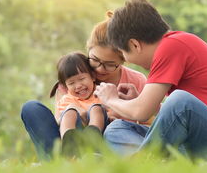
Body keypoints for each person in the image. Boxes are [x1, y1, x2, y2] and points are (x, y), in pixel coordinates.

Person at [95, 0, 207, 160]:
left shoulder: (172, 46)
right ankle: (159, 166)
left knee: (179, 100)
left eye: (124, 53)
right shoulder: (176, 43)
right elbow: (178, 118)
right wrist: (137, 100)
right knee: (116, 129)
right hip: (203, 142)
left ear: (134, 45)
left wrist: (111, 99)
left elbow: (142, 112)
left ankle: (142, 165)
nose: (128, 60)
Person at [21, 14, 149, 159]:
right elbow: (59, 121)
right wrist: (76, 114)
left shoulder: (136, 80)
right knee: (31, 108)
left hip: (106, 141)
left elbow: (145, 124)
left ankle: (81, 160)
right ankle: (62, 160)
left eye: (109, 65)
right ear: (88, 50)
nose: (100, 69)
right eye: (95, 60)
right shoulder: (73, 76)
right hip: (71, 137)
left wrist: (121, 113)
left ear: (124, 59)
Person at [50, 52, 107, 143]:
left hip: (102, 130)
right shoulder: (67, 100)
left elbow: (113, 111)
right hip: (77, 130)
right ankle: (68, 142)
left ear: (92, 76)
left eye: (81, 79)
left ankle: (93, 136)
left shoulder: (102, 92)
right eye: (71, 83)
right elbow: (59, 120)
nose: (78, 86)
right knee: (69, 112)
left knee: (96, 108)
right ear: (66, 86)